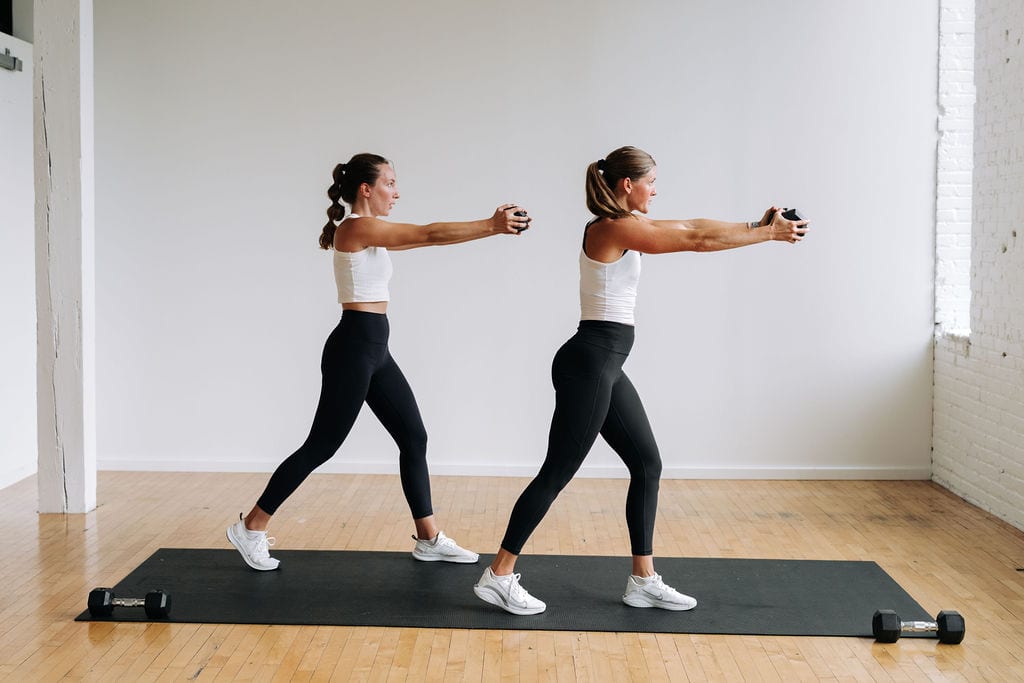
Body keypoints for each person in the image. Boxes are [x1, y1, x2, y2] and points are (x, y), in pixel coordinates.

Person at [473, 145, 808, 614]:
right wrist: (767, 236)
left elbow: (694, 227)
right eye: (651, 181)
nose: (656, 189)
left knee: (647, 465)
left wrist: (756, 224)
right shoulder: (612, 228)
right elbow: (696, 242)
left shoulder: (628, 224)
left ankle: (643, 579)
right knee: (558, 471)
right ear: (627, 185)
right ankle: (499, 574)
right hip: (589, 365)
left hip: (604, 366)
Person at [228, 152, 531, 571]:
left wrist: (491, 227)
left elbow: (425, 234)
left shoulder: (365, 229)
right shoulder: (356, 227)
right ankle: (251, 527)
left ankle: (428, 538)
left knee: (414, 436)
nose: (397, 190)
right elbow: (427, 235)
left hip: (374, 348)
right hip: (354, 346)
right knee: (322, 445)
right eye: (389, 182)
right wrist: (491, 226)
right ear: (366, 189)